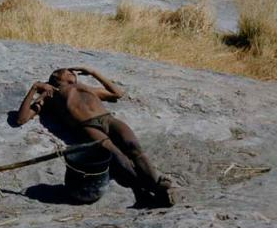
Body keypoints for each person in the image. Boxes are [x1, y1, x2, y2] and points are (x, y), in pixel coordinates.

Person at [16, 66, 180, 207]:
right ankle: (149, 189)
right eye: (68, 71)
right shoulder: (50, 96)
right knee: (117, 155)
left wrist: (93, 72)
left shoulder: (85, 87)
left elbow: (117, 93)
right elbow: (21, 119)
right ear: (56, 76)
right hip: (87, 126)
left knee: (133, 146)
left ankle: (157, 183)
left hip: (108, 119)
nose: (73, 72)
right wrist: (35, 88)